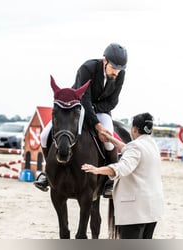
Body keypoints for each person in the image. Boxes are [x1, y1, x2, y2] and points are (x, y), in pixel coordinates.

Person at [34, 42, 128, 194]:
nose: (116, 72)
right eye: (113, 68)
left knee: (109, 141)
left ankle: (110, 181)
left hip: (102, 111)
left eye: (119, 69)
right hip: (77, 107)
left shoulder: (120, 75)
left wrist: (96, 112)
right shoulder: (87, 69)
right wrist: (96, 124)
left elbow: (113, 101)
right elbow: (85, 99)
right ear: (105, 61)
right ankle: (47, 173)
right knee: (45, 135)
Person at [81, 112, 164, 239]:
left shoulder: (136, 147)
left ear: (134, 129)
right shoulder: (151, 145)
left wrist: (97, 170)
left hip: (135, 213)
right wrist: (111, 139)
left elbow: (121, 168)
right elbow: (129, 149)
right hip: (152, 210)